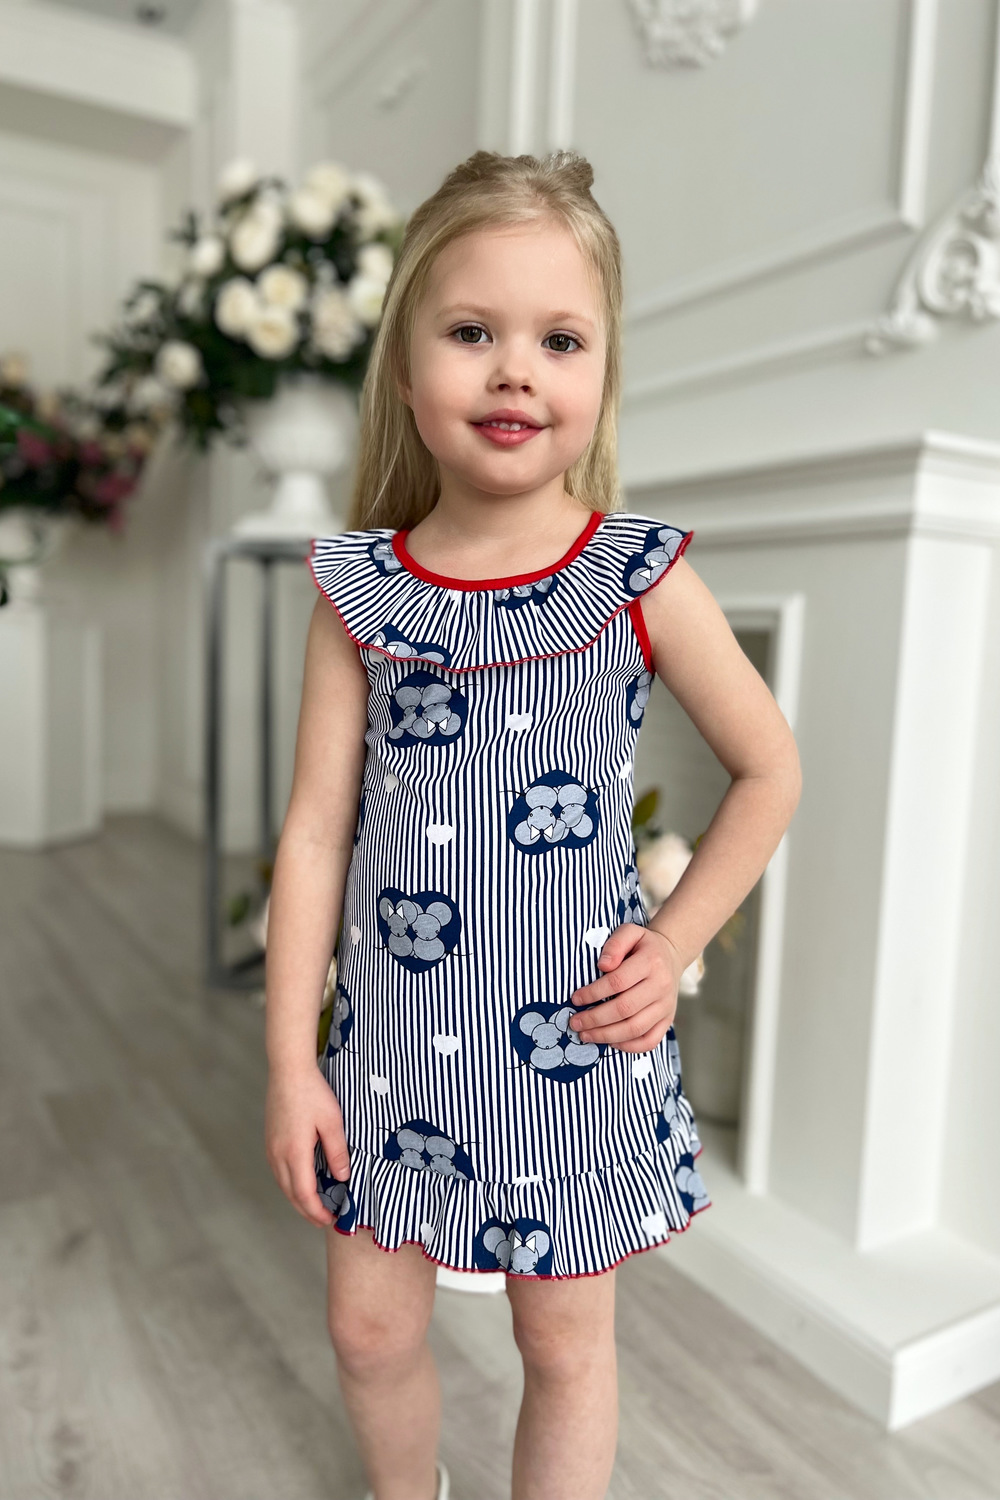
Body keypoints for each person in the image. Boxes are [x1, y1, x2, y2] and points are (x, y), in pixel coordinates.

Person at [264, 149, 802, 1500]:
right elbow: (317, 834)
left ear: (603, 374)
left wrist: (673, 941)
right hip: (388, 1050)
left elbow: (770, 769)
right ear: (406, 369)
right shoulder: (359, 594)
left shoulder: (636, 576)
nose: (516, 372)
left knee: (563, 1345)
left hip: (571, 1059)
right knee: (367, 1328)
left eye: (560, 340)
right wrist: (288, 1063)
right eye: (472, 333)